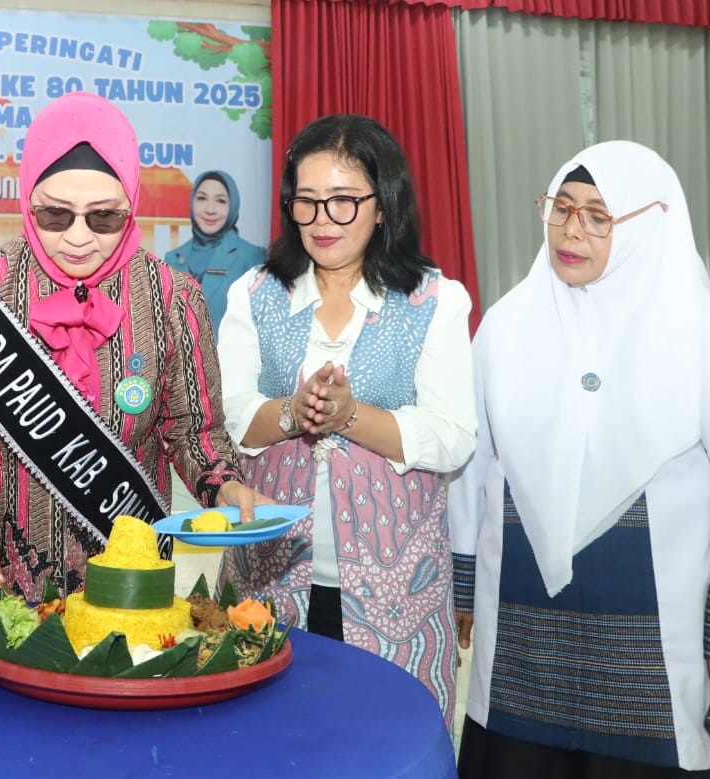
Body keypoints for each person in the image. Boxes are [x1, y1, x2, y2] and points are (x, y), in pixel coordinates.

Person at [0, 93, 269, 604]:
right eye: (55, 215)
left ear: (130, 206)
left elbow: (194, 433)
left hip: (122, 581)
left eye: (103, 218)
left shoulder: (172, 299)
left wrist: (224, 486)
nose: (77, 238)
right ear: (28, 200)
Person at [451, 141, 710, 776]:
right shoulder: (507, 326)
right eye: (562, 207)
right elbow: (473, 466)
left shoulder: (696, 333)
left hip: (650, 636)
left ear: (649, 224)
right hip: (522, 628)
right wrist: (464, 582)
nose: (571, 230)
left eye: (599, 216)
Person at [215, 114, 477, 722]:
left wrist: (350, 415)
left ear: (382, 206)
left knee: (384, 741)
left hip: (398, 591)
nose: (322, 220)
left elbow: (452, 437)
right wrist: (294, 412)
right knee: (272, 742)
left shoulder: (433, 299)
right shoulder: (255, 292)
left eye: (343, 201)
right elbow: (229, 419)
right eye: (306, 202)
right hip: (271, 579)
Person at [163, 170, 265, 330]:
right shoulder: (173, 258)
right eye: (202, 198)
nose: (210, 209)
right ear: (192, 202)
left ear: (233, 206)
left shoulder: (254, 257)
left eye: (220, 201)